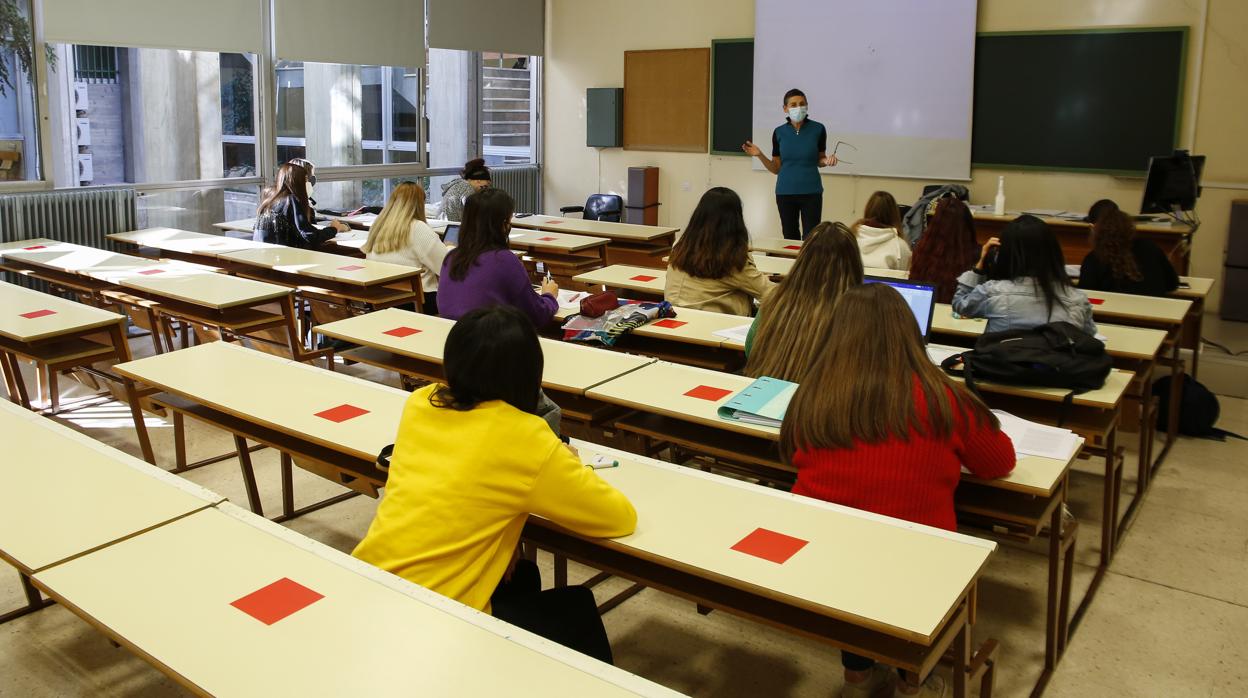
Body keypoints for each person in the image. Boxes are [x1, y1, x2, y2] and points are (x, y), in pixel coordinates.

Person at [352, 305, 637, 664]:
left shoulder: (420, 402)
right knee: (576, 606)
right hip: (437, 615)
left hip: (369, 581)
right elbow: (618, 517)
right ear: (529, 374)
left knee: (523, 575)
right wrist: (566, 460)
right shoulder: (525, 435)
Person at [780, 283, 1014, 698]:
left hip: (819, 553)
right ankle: (914, 682)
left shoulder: (811, 395)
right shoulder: (945, 398)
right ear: (909, 333)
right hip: (918, 561)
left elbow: (792, 456)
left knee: (855, 563)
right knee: (902, 564)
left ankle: (857, 675)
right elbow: (998, 463)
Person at [744, 221, 862, 382]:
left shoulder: (775, 300)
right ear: (854, 265)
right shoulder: (857, 315)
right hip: (820, 403)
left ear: (802, 260)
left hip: (765, 397)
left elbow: (750, 349)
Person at [952, 215, 1097, 334]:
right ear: (1053, 253)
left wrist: (979, 266)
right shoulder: (1077, 300)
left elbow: (960, 305)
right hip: (1056, 369)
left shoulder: (992, 293)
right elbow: (1088, 339)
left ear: (1004, 255)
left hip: (1001, 368)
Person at [742, 88, 838, 240]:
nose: (798, 107)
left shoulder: (818, 129)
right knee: (790, 237)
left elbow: (820, 159)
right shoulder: (779, 132)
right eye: (793, 105)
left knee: (812, 238)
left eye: (802, 104)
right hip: (785, 193)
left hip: (811, 192)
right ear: (785, 109)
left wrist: (826, 161)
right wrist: (759, 155)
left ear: (807, 105)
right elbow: (776, 168)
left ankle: (808, 265)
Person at [665, 187, 777, 315]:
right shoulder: (730, 258)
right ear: (736, 221)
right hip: (714, 328)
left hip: (674, 317)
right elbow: (772, 294)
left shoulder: (680, 246)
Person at [362, 181, 449, 315]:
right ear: (419, 204)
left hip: (381, 297)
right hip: (417, 300)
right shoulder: (418, 229)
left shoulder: (378, 226)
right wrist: (450, 250)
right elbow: (446, 267)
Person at [1079, 207, 1179, 297]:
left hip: (1112, 314)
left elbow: (1085, 295)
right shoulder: (1150, 248)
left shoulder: (1094, 258)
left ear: (1097, 232)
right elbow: (1172, 284)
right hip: (1155, 312)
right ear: (1130, 228)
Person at [253, 162, 349, 248]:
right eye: (306, 180)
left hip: (264, 253)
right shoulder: (291, 200)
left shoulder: (269, 198)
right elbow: (310, 235)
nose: (308, 183)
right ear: (298, 182)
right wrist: (334, 229)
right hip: (284, 256)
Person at [910, 197, 980, 304]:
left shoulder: (922, 250)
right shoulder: (974, 256)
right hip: (958, 314)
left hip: (925, 307)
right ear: (968, 225)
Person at [851, 190, 911, 270]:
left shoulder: (851, 237)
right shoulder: (901, 247)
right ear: (894, 215)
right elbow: (904, 278)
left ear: (868, 210)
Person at [440, 158, 492, 222]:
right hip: (453, 225)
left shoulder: (459, 184)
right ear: (478, 180)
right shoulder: (468, 188)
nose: (486, 188)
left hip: (442, 221)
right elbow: (470, 212)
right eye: (486, 184)